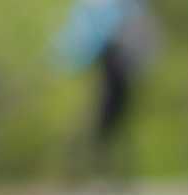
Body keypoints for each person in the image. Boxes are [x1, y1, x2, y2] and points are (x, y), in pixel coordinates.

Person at [54, 0, 161, 177]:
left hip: (122, 65)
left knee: (115, 118)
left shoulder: (124, 6)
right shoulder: (101, 6)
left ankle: (107, 171)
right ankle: (87, 169)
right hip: (111, 64)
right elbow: (85, 35)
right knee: (105, 118)